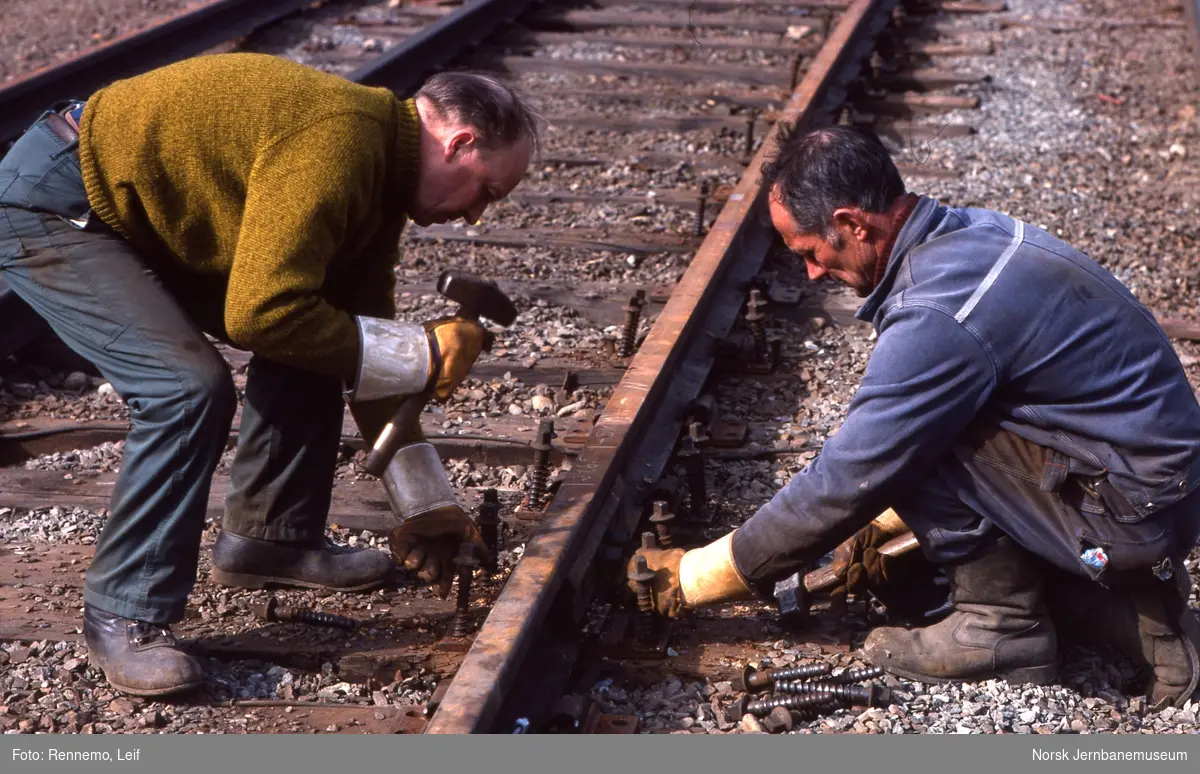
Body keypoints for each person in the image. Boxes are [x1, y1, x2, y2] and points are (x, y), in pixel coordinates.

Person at [0, 53, 539, 697]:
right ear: (460, 142)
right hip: (59, 204)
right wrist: (420, 352)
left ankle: (270, 541)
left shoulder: (378, 183)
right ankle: (123, 613)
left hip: (136, 214)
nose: (477, 214)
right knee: (186, 388)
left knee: (322, 331)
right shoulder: (339, 140)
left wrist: (427, 504)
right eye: (488, 191)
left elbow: (357, 343)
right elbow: (261, 314)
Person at [630, 124, 1200, 709]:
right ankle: (1134, 614)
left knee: (912, 441)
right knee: (923, 431)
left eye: (809, 252)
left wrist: (697, 576)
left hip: (1131, 516)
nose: (811, 274)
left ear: (853, 223)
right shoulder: (971, 230)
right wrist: (886, 527)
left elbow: (850, 476)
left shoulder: (937, 312)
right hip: (1154, 490)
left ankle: (1000, 628)